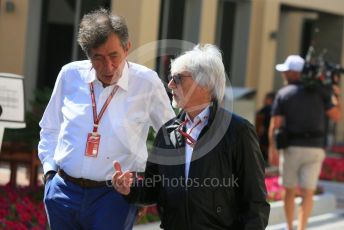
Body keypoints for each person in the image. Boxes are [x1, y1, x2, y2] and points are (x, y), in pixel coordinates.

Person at [38, 9, 175, 230]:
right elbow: (49, 128)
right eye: (98, 58)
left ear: (127, 48)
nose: (108, 67)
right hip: (63, 192)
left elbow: (171, 138)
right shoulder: (69, 75)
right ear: (88, 55)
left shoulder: (147, 83)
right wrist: (50, 175)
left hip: (115, 197)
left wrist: (146, 189)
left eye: (114, 56)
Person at [112, 44, 270, 229]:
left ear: (205, 84)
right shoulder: (168, 132)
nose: (170, 84)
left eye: (177, 78)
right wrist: (129, 189)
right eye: (170, 78)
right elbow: (152, 190)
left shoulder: (238, 131)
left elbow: (256, 203)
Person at [268, 55, 341, 230]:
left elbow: (275, 124)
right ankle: (302, 227)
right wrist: (336, 95)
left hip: (292, 148)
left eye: (286, 71)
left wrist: (272, 148)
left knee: (289, 189)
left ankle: (290, 227)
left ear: (294, 73)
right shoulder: (321, 92)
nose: (283, 74)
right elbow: (337, 116)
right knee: (308, 192)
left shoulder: (284, 93)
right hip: (315, 149)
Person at [255, 91, 275, 165]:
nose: (263, 100)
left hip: (264, 138)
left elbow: (258, 123)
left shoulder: (264, 109)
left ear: (269, 99)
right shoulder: (277, 109)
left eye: (265, 98)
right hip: (274, 138)